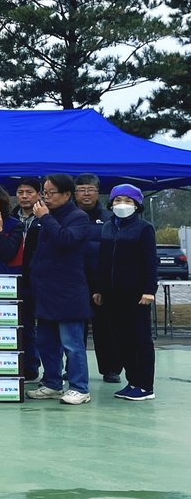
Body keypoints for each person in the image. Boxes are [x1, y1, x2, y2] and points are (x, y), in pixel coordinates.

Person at [26, 173, 94, 405]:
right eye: (44, 192)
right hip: (45, 291)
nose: (46, 197)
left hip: (68, 292)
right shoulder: (45, 217)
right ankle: (52, 383)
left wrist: (45, 218)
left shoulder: (78, 217)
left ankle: (79, 387)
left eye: (51, 193)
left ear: (66, 194)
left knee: (72, 344)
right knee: (46, 342)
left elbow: (66, 240)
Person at [93, 184, 158, 401]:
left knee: (140, 339)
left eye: (128, 201)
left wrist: (149, 290)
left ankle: (145, 385)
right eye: (118, 200)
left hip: (136, 294)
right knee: (121, 339)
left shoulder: (144, 228)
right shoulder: (107, 228)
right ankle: (133, 381)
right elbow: (103, 261)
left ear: (137, 205)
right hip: (112, 294)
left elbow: (150, 262)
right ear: (111, 203)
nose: (122, 204)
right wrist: (99, 288)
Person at [75, 172, 118, 383]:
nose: (86, 194)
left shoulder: (110, 218)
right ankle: (74, 368)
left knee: (105, 327)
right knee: (75, 329)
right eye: (81, 189)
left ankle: (110, 369)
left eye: (90, 190)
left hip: (101, 282)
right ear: (74, 193)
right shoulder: (68, 216)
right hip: (74, 281)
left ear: (98, 192)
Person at [13, 177, 44, 380]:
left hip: (39, 278)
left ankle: (35, 366)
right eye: (20, 192)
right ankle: (22, 366)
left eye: (29, 192)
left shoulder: (45, 217)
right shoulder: (9, 217)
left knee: (38, 326)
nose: (24, 196)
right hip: (15, 277)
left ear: (38, 195)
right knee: (20, 324)